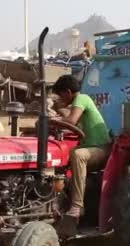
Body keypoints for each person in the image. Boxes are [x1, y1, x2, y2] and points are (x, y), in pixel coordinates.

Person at [51, 75, 112, 236]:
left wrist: (52, 120)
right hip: (91, 147)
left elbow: (71, 120)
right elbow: (69, 118)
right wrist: (57, 112)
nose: (60, 99)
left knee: (77, 155)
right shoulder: (78, 102)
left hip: (101, 149)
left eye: (60, 95)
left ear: (68, 92)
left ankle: (77, 207)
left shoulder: (82, 98)